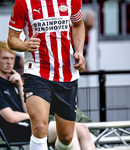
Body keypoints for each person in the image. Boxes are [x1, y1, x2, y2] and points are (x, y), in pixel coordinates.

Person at [0, 41, 95, 150]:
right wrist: (36, 117)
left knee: (82, 128)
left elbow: (27, 110)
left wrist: (20, 86)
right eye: (5, 58)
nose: (9, 62)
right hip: (15, 131)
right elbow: (11, 117)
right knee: (67, 131)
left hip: (29, 125)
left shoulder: (13, 80)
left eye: (12, 58)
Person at [8, 0, 86, 149]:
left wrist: (79, 52)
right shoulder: (23, 3)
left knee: (66, 137)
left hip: (66, 74)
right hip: (36, 72)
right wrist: (25, 45)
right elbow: (11, 39)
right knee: (39, 127)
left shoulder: (72, 1)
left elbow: (78, 24)